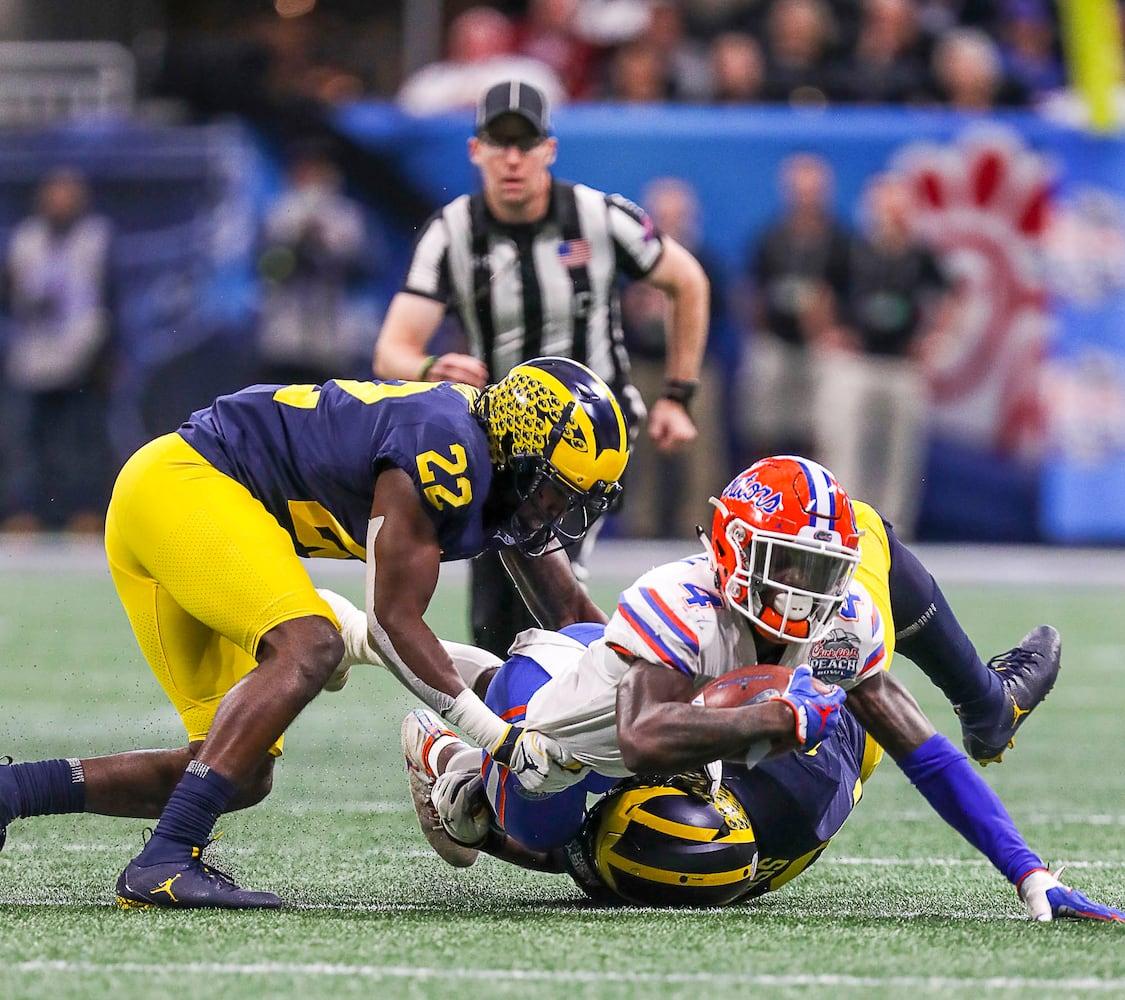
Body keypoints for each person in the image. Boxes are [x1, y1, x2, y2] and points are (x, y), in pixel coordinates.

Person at [0, 356, 629, 910]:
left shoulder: (498, 469)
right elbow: (391, 625)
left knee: (235, 771)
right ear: (516, 453)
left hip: (176, 502)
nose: (555, 513)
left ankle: (14, 790)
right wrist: (498, 738)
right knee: (312, 644)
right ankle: (164, 861)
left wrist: (634, 694)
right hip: (183, 485)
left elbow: (566, 604)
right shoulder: (445, 447)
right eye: (552, 493)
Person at [390, 456, 1120, 921]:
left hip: (697, 737)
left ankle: (988, 706)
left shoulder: (837, 622)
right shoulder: (683, 602)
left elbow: (922, 753)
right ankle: (467, 781)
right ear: (736, 549)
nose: (808, 591)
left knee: (856, 531)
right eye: (788, 564)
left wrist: (1028, 875)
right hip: (602, 741)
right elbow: (640, 736)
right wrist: (771, 714)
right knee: (676, 844)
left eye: (820, 569)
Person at [373, 78, 709, 657]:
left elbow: (688, 281)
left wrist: (678, 393)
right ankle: (516, 729)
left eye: (524, 143)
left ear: (548, 150)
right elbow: (391, 351)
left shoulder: (597, 217)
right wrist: (431, 366)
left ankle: (604, 704)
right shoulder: (452, 232)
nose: (511, 157)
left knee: (552, 587)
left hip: (590, 435)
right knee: (493, 611)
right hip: (498, 439)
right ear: (475, 150)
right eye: (498, 142)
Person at [810, 171, 959, 538]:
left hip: (901, 365)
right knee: (846, 445)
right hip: (857, 363)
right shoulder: (849, 247)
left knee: (899, 453)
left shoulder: (921, 254)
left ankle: (893, 532)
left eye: (898, 205)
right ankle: (842, 525)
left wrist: (934, 339)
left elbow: (953, 295)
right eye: (885, 204)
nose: (891, 213)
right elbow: (820, 291)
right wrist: (827, 332)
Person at [1, 167, 114, 534]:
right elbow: (9, 296)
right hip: (31, 354)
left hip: (82, 353)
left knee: (82, 439)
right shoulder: (26, 239)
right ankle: (26, 512)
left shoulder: (95, 237)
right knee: (26, 440)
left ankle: (85, 511)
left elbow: (110, 297)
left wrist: (107, 353)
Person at [740, 153, 850, 461]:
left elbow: (853, 292)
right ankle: (759, 486)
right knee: (762, 426)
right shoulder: (770, 236)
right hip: (775, 342)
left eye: (812, 189)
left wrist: (833, 328)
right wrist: (758, 328)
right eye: (799, 189)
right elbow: (752, 287)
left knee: (819, 430)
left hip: (819, 349)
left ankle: (815, 498)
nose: (805, 197)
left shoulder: (840, 240)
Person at [255, 141, 369, 385]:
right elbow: (269, 267)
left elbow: (361, 268)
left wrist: (324, 243)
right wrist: (295, 243)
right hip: (286, 328)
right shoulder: (279, 212)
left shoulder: (347, 214)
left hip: (331, 331)